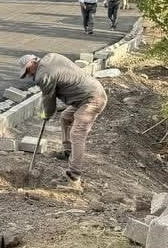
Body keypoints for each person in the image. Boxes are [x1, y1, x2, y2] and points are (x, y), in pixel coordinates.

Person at [17, 53, 107, 185]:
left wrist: (46, 114)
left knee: (77, 133)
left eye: (27, 71)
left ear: (32, 63)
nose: (29, 76)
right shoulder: (50, 57)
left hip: (91, 99)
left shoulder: (43, 74)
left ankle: (73, 177)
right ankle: (68, 152)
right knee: (66, 117)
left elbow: (49, 100)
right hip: (87, 96)